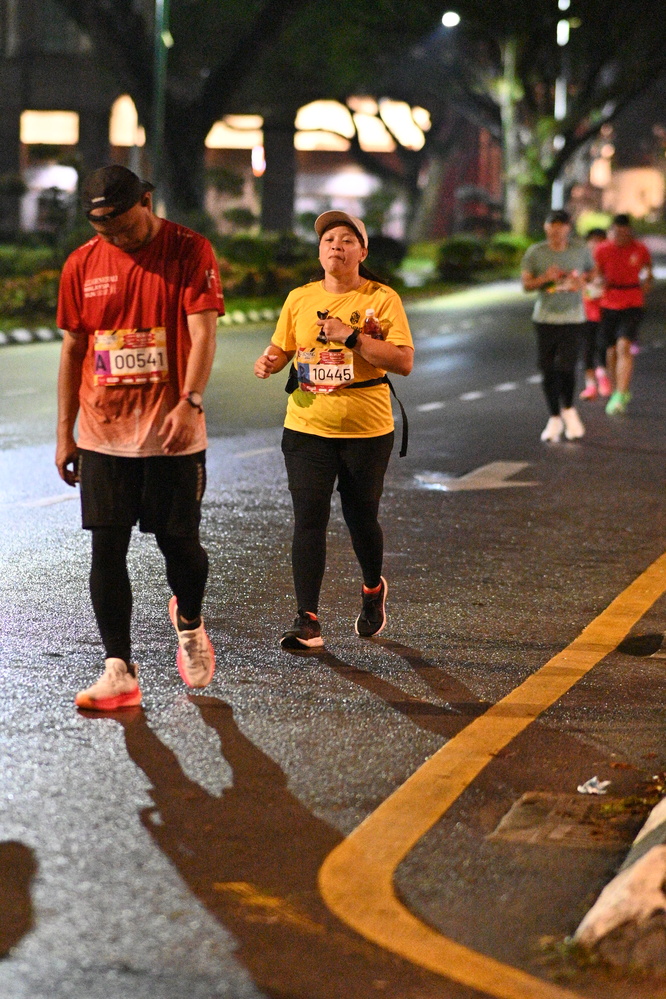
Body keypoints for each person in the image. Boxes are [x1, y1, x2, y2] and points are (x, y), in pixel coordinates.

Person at [55, 165, 224, 710]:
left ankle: (190, 623)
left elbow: (203, 331)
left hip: (172, 431)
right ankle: (119, 669)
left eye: (124, 226)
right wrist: (64, 433)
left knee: (180, 547)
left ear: (146, 202)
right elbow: (73, 350)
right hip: (102, 430)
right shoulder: (82, 264)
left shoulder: (189, 250)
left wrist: (190, 400)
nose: (116, 238)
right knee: (106, 546)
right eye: (103, 229)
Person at [253, 211, 413, 650]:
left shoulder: (382, 299)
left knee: (361, 518)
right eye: (328, 240)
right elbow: (282, 346)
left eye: (346, 239)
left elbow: (403, 362)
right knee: (308, 517)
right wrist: (270, 360)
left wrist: (352, 337)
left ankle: (372, 588)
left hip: (366, 428)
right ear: (319, 251)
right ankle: (307, 619)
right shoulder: (300, 298)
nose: (336, 246)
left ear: (362, 251)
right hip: (306, 425)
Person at [521, 209, 592, 442]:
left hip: (573, 318)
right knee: (547, 368)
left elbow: (592, 272)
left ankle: (569, 409)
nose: (556, 233)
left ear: (568, 229)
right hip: (545, 318)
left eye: (561, 229)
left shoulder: (580, 250)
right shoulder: (536, 252)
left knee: (567, 367)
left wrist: (582, 280)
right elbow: (526, 285)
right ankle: (554, 417)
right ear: (546, 228)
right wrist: (545, 278)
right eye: (552, 229)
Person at [593, 214, 653, 415]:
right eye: (616, 233)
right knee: (610, 351)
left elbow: (647, 269)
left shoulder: (640, 249)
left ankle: (620, 393)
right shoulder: (602, 249)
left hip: (632, 301)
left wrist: (647, 282)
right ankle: (617, 388)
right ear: (610, 232)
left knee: (623, 346)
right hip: (608, 302)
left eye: (625, 233)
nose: (620, 237)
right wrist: (598, 282)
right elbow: (596, 273)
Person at [579, 228, 612, 401]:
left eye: (600, 240)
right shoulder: (581, 262)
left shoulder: (609, 259)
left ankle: (603, 375)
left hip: (607, 308)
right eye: (592, 241)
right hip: (585, 310)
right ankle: (590, 384)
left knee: (604, 345)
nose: (596, 244)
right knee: (587, 347)